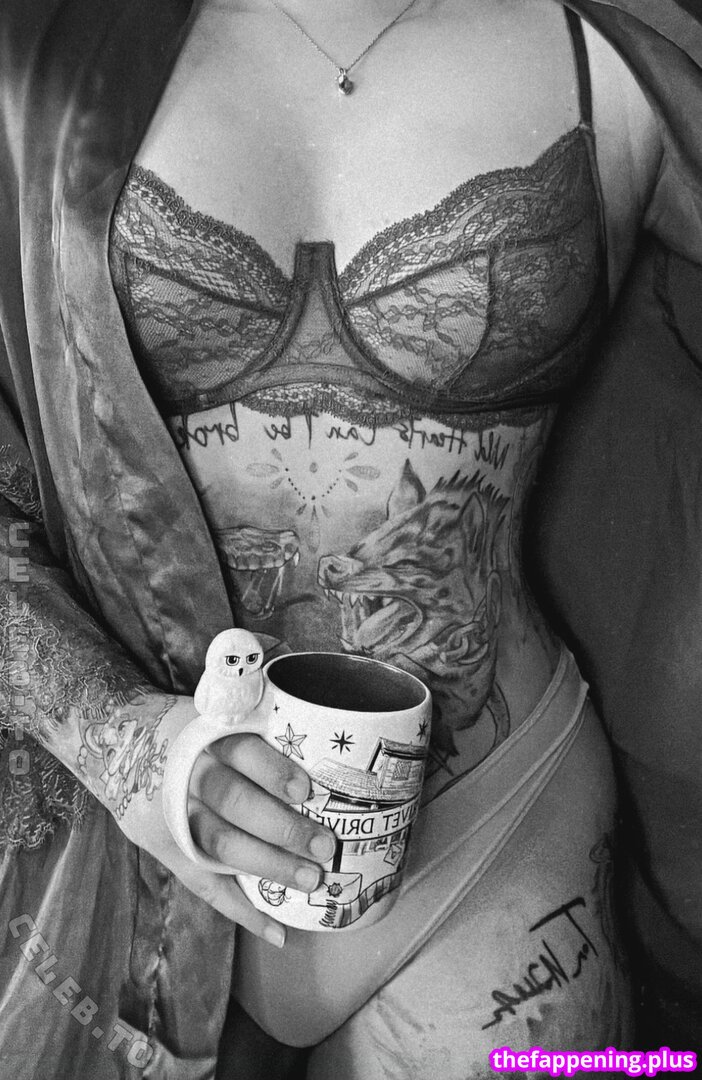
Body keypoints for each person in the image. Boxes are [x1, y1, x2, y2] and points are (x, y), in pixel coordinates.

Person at [0, 0, 700, 1077]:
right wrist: (126, 747)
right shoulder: (39, 60)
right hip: (114, 843)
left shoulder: (614, 50)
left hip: (497, 831)